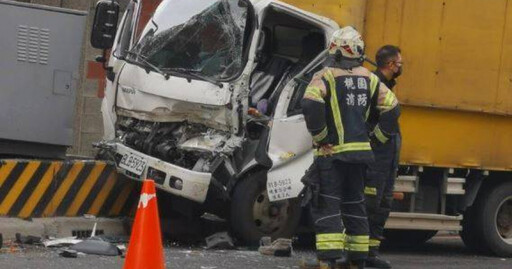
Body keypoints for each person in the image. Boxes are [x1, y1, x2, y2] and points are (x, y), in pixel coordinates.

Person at [300, 27, 400, 269]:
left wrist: (322, 136)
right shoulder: (370, 78)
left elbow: (310, 104)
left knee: (327, 203)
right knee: (355, 204)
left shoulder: (325, 75)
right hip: (360, 156)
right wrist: (376, 139)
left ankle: (328, 260)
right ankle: (358, 260)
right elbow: (393, 108)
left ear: (334, 49)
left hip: (331, 154)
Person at [364, 45, 403, 268]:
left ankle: (371, 252)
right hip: (375, 160)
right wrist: (376, 143)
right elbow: (370, 122)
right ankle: (359, 253)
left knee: (382, 206)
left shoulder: (386, 86)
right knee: (370, 204)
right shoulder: (373, 85)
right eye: (400, 63)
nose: (401, 67)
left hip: (386, 161)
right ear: (390, 64)